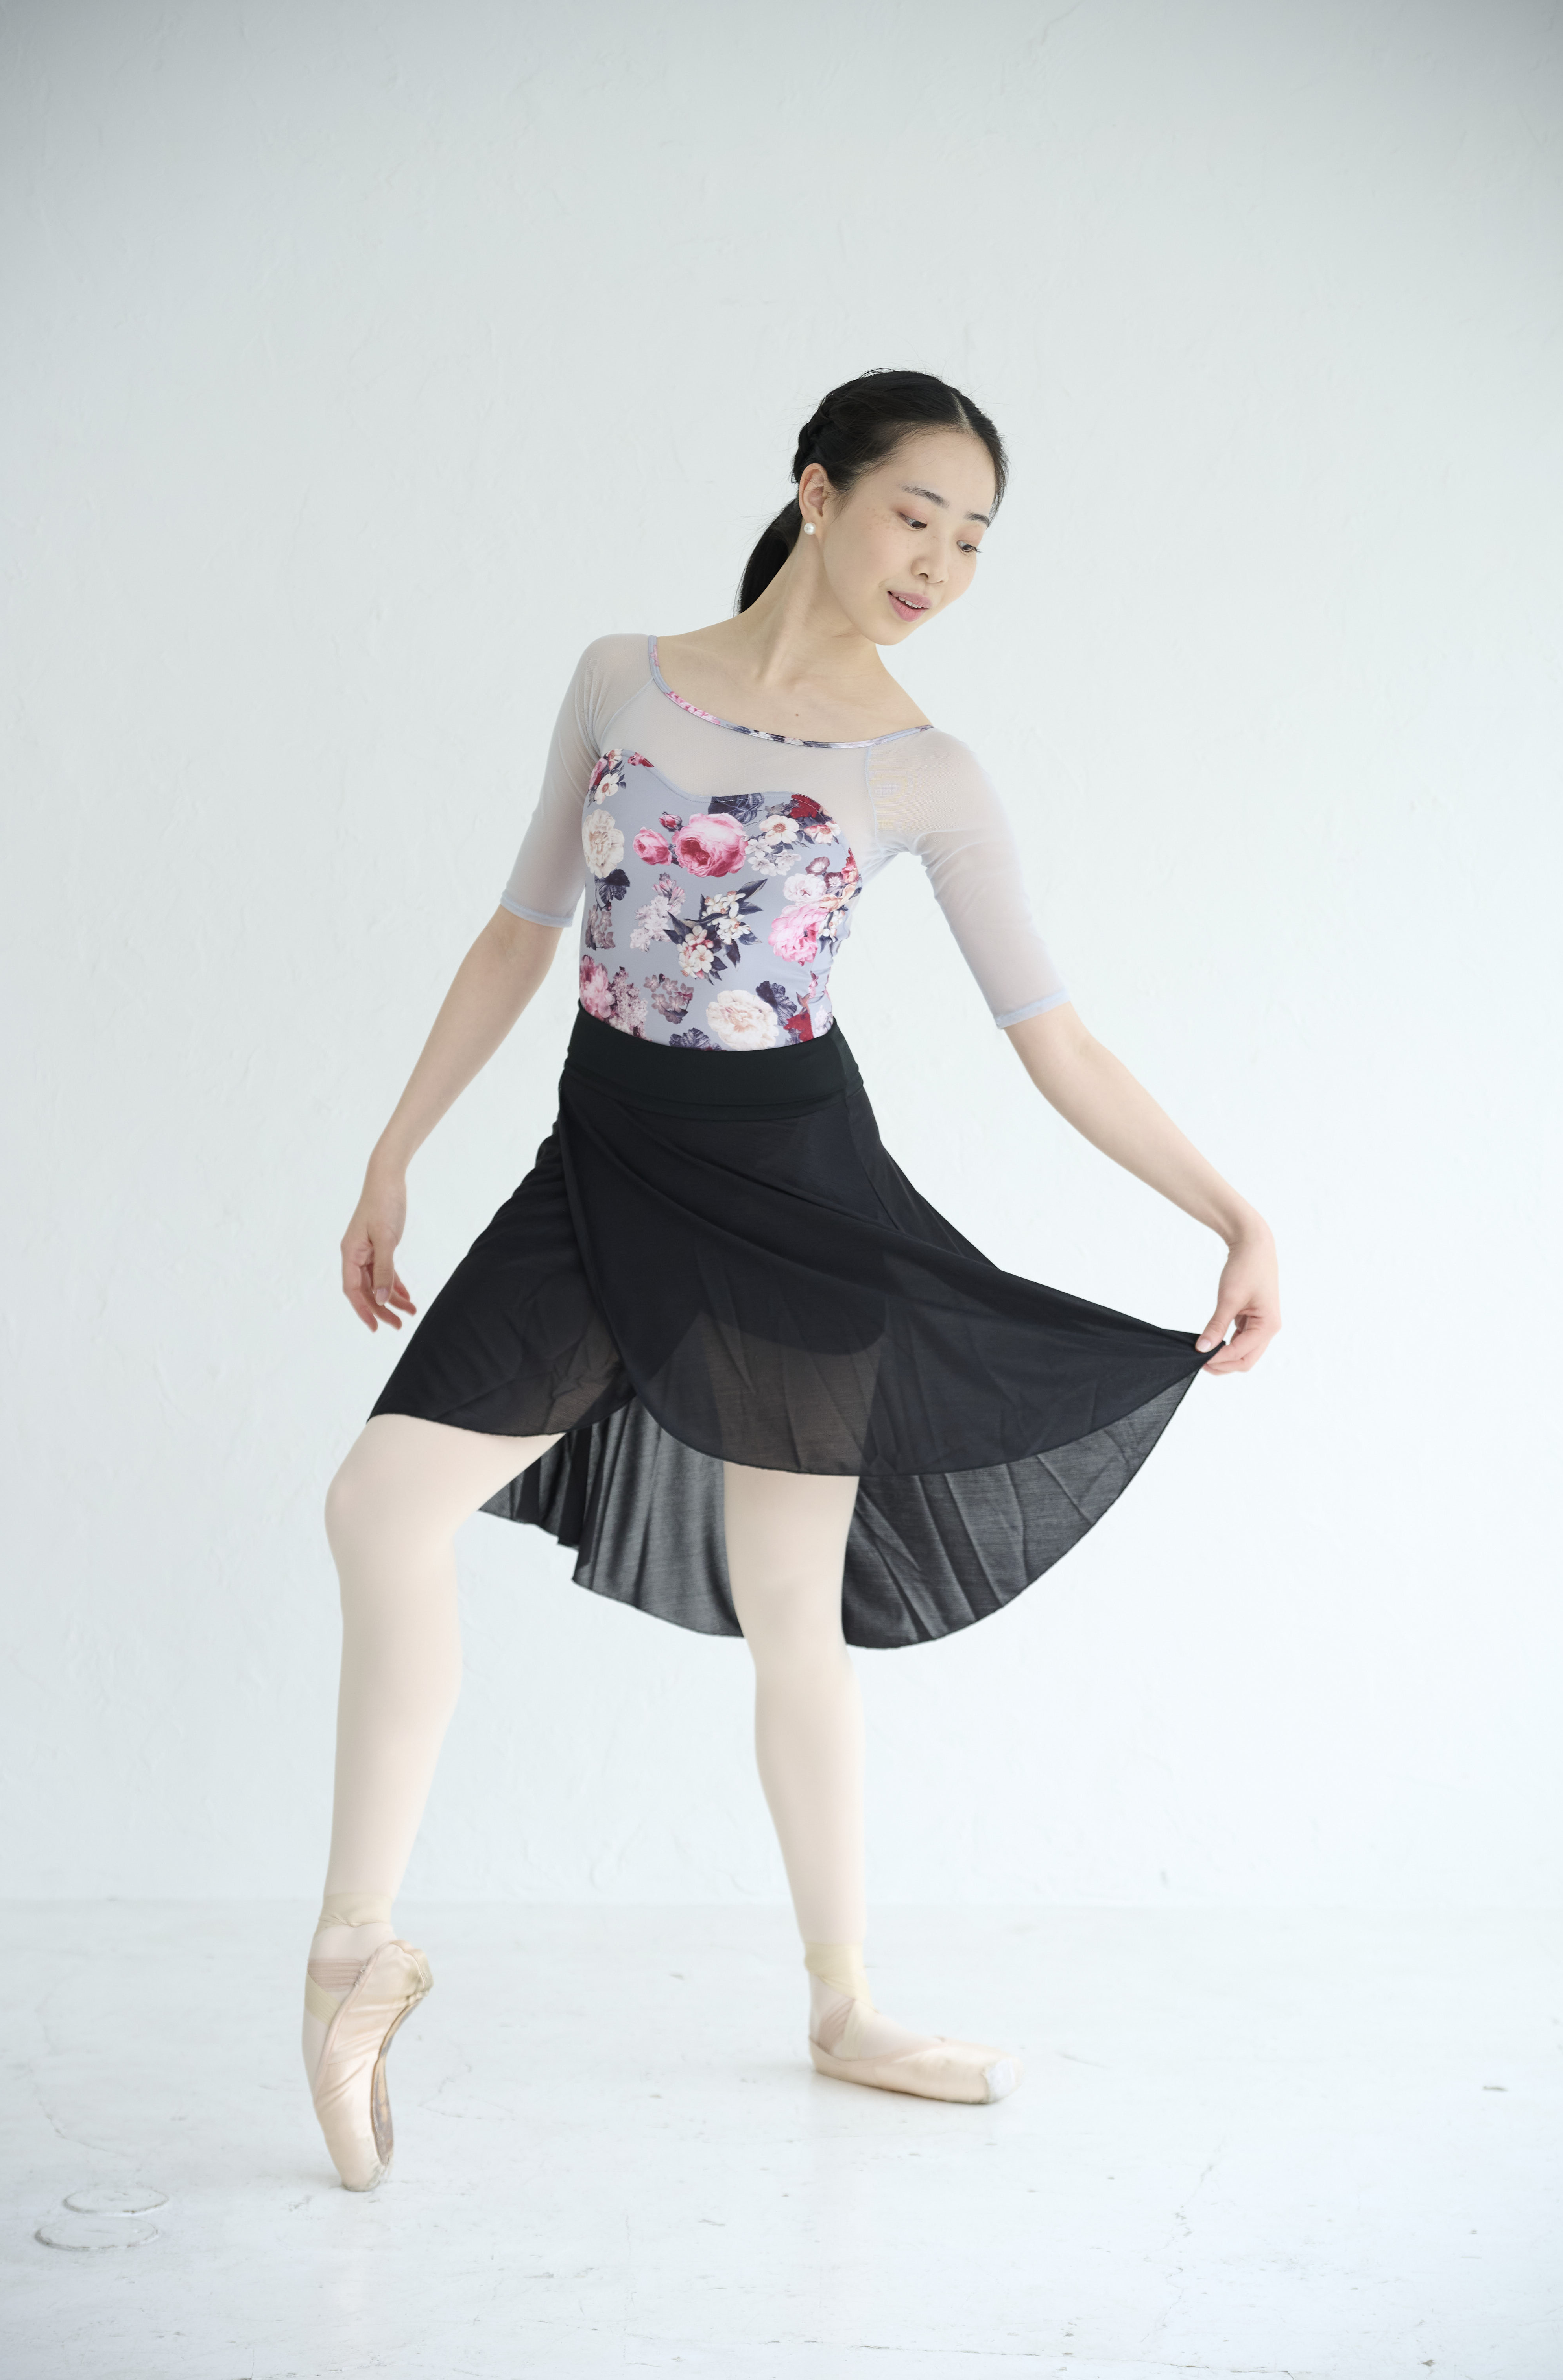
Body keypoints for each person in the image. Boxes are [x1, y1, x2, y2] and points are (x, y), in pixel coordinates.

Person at [305, 370, 1280, 2192]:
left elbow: (1055, 1039)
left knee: (788, 1600)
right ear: (817, 493)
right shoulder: (622, 677)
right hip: (601, 1170)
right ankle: (353, 1955)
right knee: (378, 1505)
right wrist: (395, 1148)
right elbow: (522, 928)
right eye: (918, 515)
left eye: (976, 541)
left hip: (795, 1200)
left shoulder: (927, 771)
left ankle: (844, 2005)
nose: (942, 564)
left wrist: (1233, 1211)